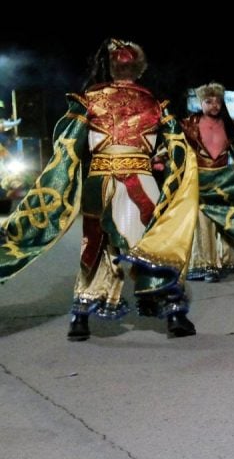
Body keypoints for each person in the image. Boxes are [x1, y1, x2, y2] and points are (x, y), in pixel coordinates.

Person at [0, 38, 199, 338]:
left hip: (97, 183)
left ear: (108, 66)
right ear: (139, 69)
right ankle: (172, 313)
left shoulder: (88, 100)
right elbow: (180, 151)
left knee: (95, 246)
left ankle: (80, 317)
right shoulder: (157, 104)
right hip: (139, 180)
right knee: (150, 244)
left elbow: (67, 146)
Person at [181, 82, 234, 281]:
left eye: (217, 101)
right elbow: (176, 147)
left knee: (230, 221)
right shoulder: (188, 124)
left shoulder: (230, 125)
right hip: (198, 180)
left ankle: (226, 262)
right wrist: (159, 158)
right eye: (208, 101)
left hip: (226, 180)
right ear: (201, 103)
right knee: (203, 223)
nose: (214, 105)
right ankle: (204, 265)